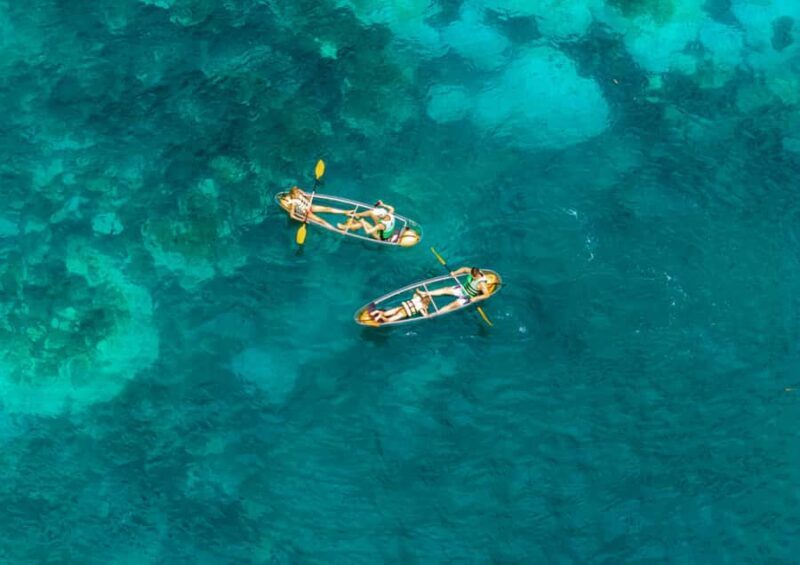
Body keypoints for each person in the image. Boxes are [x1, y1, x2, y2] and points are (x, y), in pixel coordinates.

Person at [420, 267, 490, 313]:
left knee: (452, 305)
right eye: (471, 274)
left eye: (472, 276)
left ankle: (434, 314)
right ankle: (425, 293)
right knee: (445, 289)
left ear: (477, 276)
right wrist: (455, 273)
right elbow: (464, 269)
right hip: (462, 289)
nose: (471, 276)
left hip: (468, 296)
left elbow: (487, 295)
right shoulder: (473, 272)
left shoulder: (482, 284)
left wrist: (475, 298)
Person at [280, 186, 354, 229]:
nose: (299, 193)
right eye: (297, 193)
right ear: (293, 195)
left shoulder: (299, 194)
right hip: (306, 213)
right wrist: (302, 220)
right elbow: (292, 215)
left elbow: (308, 200)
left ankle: (345, 212)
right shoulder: (293, 203)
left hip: (309, 207)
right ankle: (334, 229)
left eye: (298, 192)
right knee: (321, 221)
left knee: (327, 208)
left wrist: (304, 194)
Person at [367, 289, 432, 323]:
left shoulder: (416, 299)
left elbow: (415, 294)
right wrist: (425, 309)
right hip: (403, 313)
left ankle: (375, 312)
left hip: (400, 307)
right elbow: (426, 316)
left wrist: (419, 293)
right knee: (388, 320)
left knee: (385, 313)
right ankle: (379, 317)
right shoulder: (421, 307)